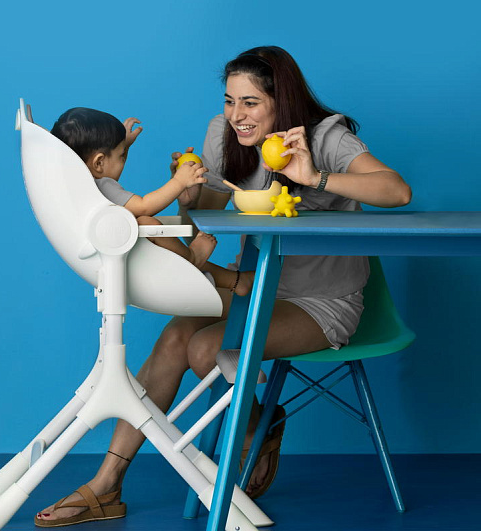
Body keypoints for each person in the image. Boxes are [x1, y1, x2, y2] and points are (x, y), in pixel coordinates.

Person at [36, 47, 411, 526]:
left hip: (320, 301)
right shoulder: (223, 135)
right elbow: (203, 222)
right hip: (251, 284)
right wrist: (189, 197)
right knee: (174, 339)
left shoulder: (322, 138)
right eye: (230, 101)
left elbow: (397, 191)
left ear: (282, 100)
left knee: (206, 349)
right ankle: (107, 484)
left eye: (250, 103)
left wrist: (314, 177)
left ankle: (256, 426)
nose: (237, 115)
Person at [50, 107, 254, 296]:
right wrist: (179, 182)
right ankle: (192, 258)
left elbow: (108, 168)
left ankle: (234, 281)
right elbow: (144, 206)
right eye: (121, 156)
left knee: (147, 228)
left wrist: (123, 145)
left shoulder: (80, 188)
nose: (123, 160)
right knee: (146, 222)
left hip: (107, 255)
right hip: (123, 260)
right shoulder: (102, 186)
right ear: (99, 162)